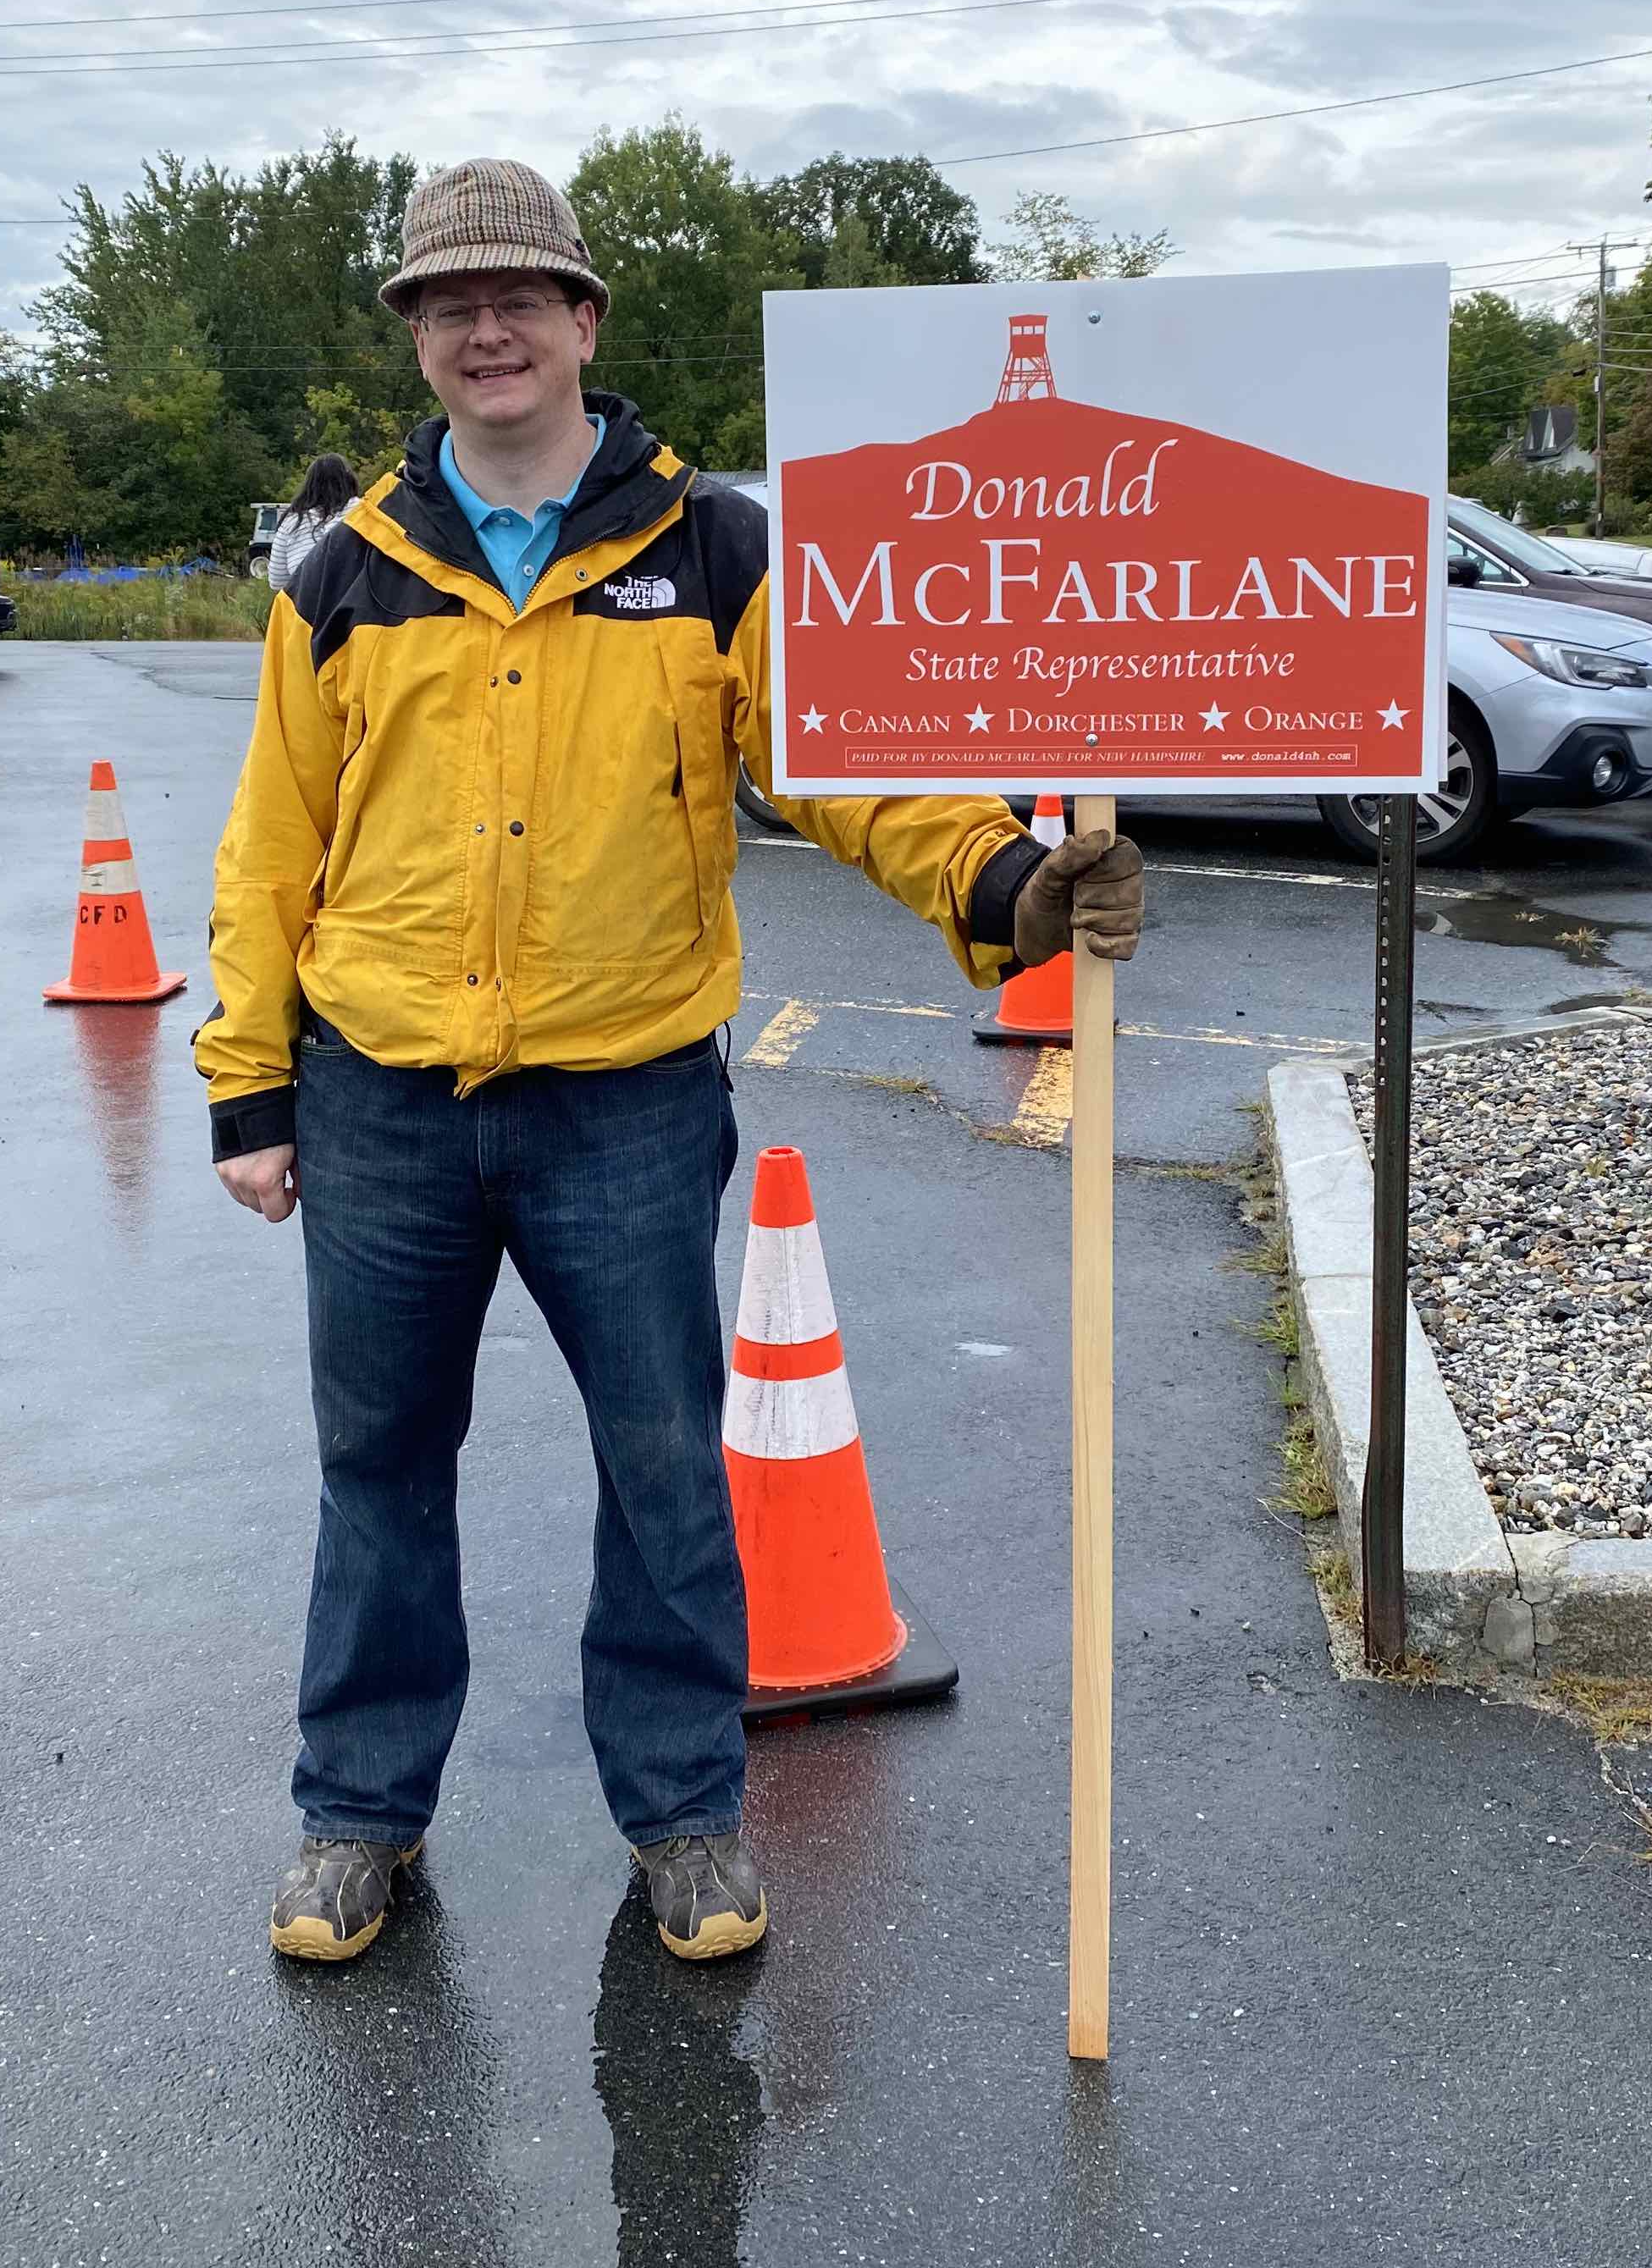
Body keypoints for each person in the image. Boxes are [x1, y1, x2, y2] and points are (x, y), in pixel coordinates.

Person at [194, 158, 1142, 1967]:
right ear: (418, 337)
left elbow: (845, 759)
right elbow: (270, 846)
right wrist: (250, 1084)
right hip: (380, 1096)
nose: (485, 330)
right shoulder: (346, 570)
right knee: (377, 1467)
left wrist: (1001, 875)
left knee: (661, 1473)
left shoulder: (713, 547)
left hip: (623, 1103)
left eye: (516, 298)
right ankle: (358, 1814)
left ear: (583, 320)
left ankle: (686, 1815)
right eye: (449, 306)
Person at [268, 452, 360, 582]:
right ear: (350, 481)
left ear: (309, 485)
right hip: (355, 593)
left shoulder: (291, 523)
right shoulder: (363, 514)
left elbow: (277, 580)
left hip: (305, 594)